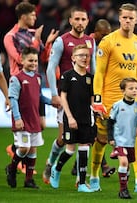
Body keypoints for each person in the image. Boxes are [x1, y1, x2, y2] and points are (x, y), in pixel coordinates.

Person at [90, 3, 137, 193]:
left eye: (131, 18)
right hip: (110, 98)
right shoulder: (108, 42)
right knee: (102, 139)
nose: (127, 20)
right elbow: (99, 73)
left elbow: (136, 73)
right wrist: (98, 99)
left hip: (132, 99)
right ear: (119, 19)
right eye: (124, 17)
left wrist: (136, 93)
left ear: (136, 20)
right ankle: (94, 177)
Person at [4, 1, 59, 175]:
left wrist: (47, 44)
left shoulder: (34, 33)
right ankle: (20, 158)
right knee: (26, 129)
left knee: (41, 125)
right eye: (33, 14)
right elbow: (20, 59)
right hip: (19, 84)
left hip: (36, 81)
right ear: (23, 16)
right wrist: (36, 41)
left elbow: (42, 58)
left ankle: (16, 150)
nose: (35, 17)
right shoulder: (10, 36)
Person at [43, 6, 96, 184]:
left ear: (87, 21)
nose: (80, 22)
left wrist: (96, 97)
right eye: (77, 19)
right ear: (71, 20)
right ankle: (51, 163)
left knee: (86, 141)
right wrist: (53, 94)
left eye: (83, 19)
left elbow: (94, 70)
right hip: (66, 95)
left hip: (85, 97)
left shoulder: (90, 42)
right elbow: (51, 68)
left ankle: (81, 179)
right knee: (63, 139)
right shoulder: (61, 41)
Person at [70, 19, 115, 178]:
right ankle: (98, 167)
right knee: (89, 133)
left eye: (108, 35)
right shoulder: (88, 45)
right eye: (103, 34)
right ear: (95, 32)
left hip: (97, 89)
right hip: (84, 88)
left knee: (92, 132)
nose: (105, 37)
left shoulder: (108, 45)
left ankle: (80, 166)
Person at [49, 44, 95, 192]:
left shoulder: (90, 78)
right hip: (71, 117)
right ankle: (56, 169)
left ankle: (81, 183)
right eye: (81, 55)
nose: (84, 58)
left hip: (86, 118)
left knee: (84, 148)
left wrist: (95, 110)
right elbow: (63, 97)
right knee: (69, 150)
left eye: (86, 55)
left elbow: (92, 99)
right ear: (73, 58)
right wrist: (69, 117)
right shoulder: (67, 76)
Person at [5, 47, 51, 189]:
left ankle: (28, 180)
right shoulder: (16, 79)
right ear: (22, 60)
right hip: (22, 120)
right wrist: (17, 118)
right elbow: (13, 99)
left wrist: (52, 102)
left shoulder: (37, 77)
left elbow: (39, 97)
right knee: (24, 148)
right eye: (30, 60)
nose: (33, 63)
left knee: (33, 149)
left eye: (35, 61)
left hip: (34, 119)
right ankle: (12, 169)